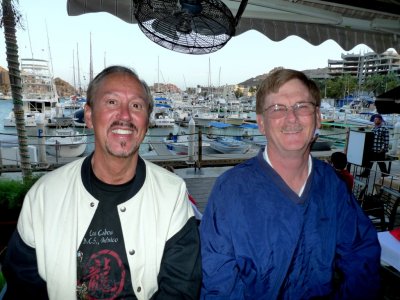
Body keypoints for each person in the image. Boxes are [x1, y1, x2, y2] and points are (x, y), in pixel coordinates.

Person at [2, 66, 202, 299]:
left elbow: (180, 288)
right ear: (88, 116)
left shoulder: (172, 195)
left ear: (146, 123)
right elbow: (23, 286)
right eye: (111, 102)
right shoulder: (44, 196)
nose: (125, 115)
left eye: (136, 106)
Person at [200, 68, 381, 299]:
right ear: (261, 123)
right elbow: (218, 284)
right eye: (277, 108)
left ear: (318, 118)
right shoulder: (230, 191)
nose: (291, 118)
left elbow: (361, 257)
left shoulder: (332, 187)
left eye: (302, 106)